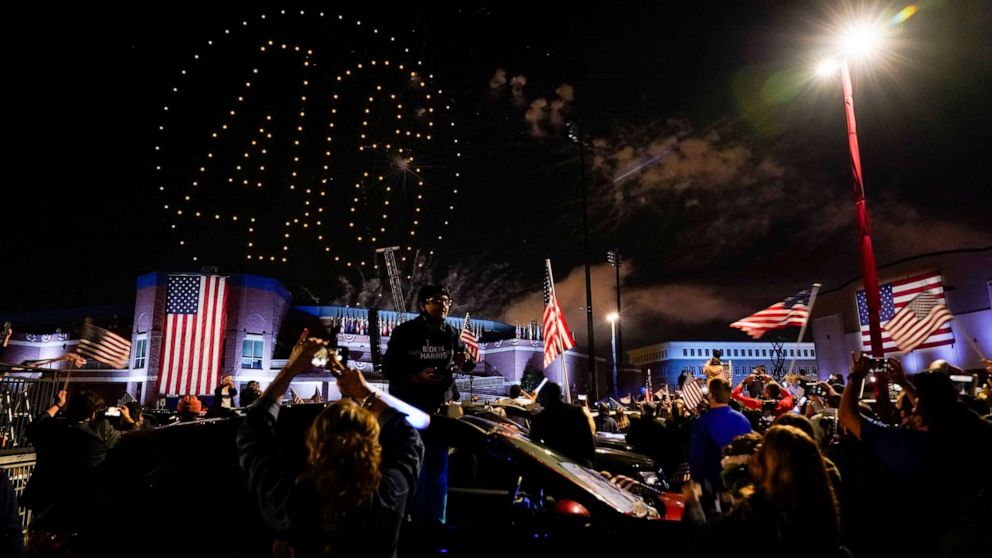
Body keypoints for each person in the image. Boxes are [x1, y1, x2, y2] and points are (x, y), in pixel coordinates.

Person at [238, 331, 423, 557]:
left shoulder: (289, 502)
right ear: (373, 443)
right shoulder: (388, 496)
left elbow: (252, 434)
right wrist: (363, 391)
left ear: (315, 444)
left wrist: (290, 369)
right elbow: (410, 439)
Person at [382, 285, 474, 525]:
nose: (442, 305)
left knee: (436, 471)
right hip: (408, 409)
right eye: (435, 300)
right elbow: (389, 370)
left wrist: (465, 362)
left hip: (438, 412)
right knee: (407, 465)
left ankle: (433, 525)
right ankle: (402, 521)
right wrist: (416, 376)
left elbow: (465, 364)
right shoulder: (405, 333)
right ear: (422, 305)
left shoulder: (451, 334)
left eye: (446, 300)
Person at [684, 425, 844, 557]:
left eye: (762, 452)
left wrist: (692, 502)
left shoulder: (757, 513)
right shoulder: (823, 511)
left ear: (773, 466)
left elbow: (705, 541)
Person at [21, 390, 125, 516]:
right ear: (92, 414)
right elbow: (128, 442)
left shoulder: (51, 428)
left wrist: (58, 404)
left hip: (46, 500)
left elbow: (35, 425)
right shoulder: (100, 430)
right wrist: (129, 420)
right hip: (82, 503)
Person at [688, 377, 753, 489]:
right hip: (741, 481)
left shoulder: (702, 422)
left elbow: (696, 456)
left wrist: (695, 481)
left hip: (714, 482)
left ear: (711, 395)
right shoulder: (743, 420)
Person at [529, 382, 596, 467]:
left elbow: (534, 447)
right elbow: (588, 440)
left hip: (554, 466)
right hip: (578, 464)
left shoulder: (541, 417)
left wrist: (532, 399)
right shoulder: (576, 411)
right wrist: (591, 463)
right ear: (559, 394)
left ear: (545, 397)